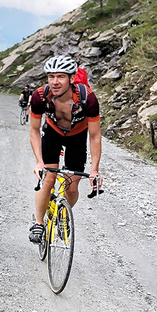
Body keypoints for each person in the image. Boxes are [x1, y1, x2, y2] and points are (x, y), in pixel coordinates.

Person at [27, 56, 102, 244]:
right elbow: (34, 130)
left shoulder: (88, 99)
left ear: (72, 78)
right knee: (48, 179)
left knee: (72, 187)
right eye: (51, 76)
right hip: (52, 132)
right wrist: (39, 162)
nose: (55, 82)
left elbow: (94, 136)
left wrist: (94, 170)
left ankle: (64, 215)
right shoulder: (40, 96)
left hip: (77, 135)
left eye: (60, 76)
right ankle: (38, 224)